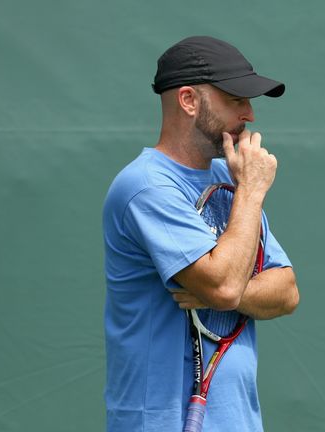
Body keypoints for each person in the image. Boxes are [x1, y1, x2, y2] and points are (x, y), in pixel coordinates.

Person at [102, 35, 299, 431]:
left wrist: (231, 290)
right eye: (235, 99)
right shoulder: (146, 187)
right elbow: (224, 288)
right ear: (189, 100)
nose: (250, 114)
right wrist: (253, 192)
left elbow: (287, 292)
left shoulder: (233, 181)